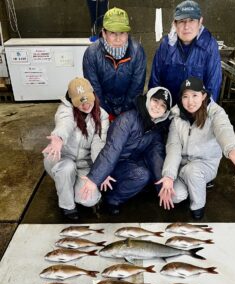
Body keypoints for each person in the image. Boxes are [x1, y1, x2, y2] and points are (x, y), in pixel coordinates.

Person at [157, 77, 235, 220]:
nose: (190, 101)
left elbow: (223, 128)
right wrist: (169, 175)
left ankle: (198, 207)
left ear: (204, 96)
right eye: (185, 96)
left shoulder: (215, 113)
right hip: (183, 166)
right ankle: (195, 184)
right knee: (174, 197)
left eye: (195, 95)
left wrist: (231, 148)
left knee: (193, 172)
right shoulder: (177, 117)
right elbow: (173, 147)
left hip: (205, 164)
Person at [79, 87, 172, 215]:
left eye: (163, 106)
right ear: (147, 99)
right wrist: (94, 178)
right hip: (114, 163)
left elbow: (156, 156)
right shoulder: (127, 120)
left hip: (131, 162)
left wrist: (162, 187)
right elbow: (112, 150)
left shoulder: (156, 128)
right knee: (141, 175)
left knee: (149, 174)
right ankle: (111, 199)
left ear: (165, 112)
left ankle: (127, 187)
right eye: (155, 101)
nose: (157, 107)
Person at [42, 77, 109, 220]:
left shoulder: (102, 116)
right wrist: (59, 138)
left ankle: (66, 187)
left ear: (93, 94)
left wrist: (102, 170)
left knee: (89, 199)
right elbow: (64, 124)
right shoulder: (65, 110)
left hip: (84, 165)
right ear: (72, 101)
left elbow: (99, 144)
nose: (86, 106)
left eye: (88, 99)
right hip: (60, 158)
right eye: (80, 102)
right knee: (67, 168)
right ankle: (67, 206)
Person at [148, 0, 222, 105]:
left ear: (200, 22)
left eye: (191, 20)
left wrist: (203, 115)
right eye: (182, 21)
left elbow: (213, 86)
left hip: (195, 111)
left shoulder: (209, 45)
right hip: (168, 109)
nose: (186, 26)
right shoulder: (166, 45)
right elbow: (155, 82)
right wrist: (158, 109)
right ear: (175, 23)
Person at [83, 7, 146, 120]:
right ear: (104, 33)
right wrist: (106, 112)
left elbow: (136, 88)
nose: (118, 39)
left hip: (128, 105)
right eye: (112, 33)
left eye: (122, 33)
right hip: (101, 105)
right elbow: (94, 88)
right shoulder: (91, 53)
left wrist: (125, 111)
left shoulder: (137, 52)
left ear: (127, 33)